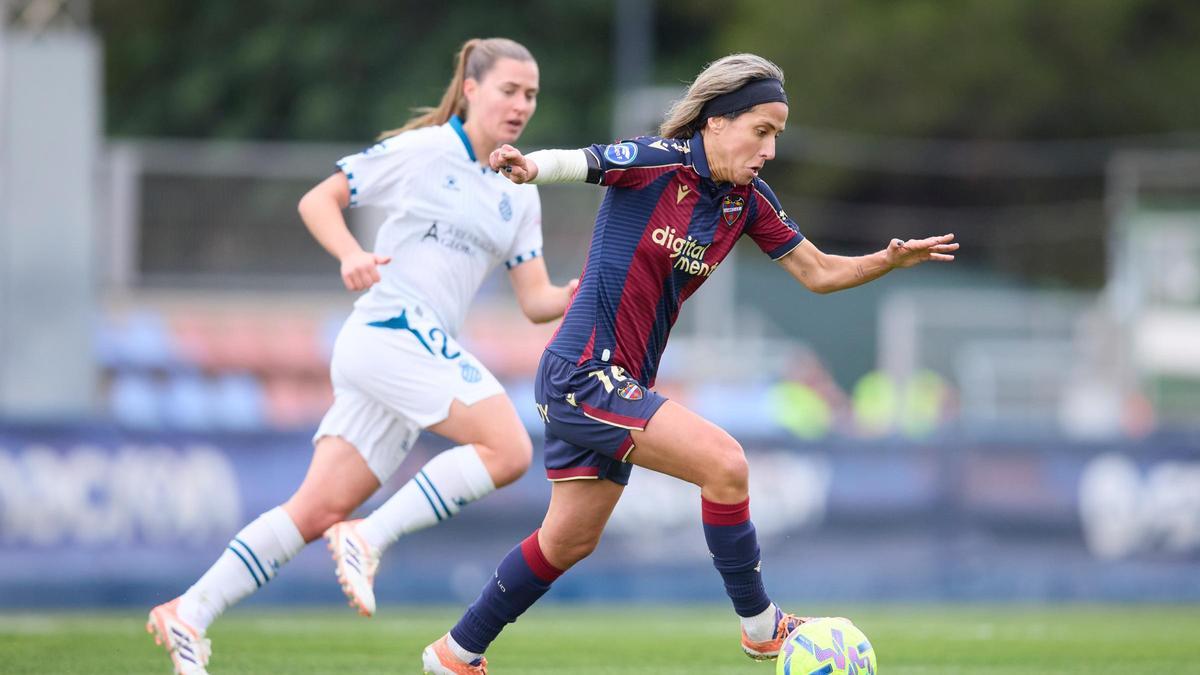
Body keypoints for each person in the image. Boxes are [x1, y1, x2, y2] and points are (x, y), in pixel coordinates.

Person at [419, 53, 957, 674]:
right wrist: (528, 166)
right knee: (725, 464)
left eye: (776, 135)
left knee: (567, 541)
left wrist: (885, 261)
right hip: (583, 374)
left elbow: (818, 272)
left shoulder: (748, 201)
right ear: (715, 121)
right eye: (761, 130)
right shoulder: (659, 161)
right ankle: (762, 629)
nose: (769, 150)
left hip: (618, 384)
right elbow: (585, 162)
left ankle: (454, 656)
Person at [146, 37, 577, 675]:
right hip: (389, 329)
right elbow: (318, 199)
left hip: (406, 357)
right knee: (510, 450)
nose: (521, 105)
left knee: (315, 509)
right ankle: (370, 537)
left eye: (531, 95)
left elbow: (535, 300)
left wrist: (581, 292)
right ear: (471, 90)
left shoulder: (520, 190)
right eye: (509, 90)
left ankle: (190, 612)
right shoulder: (425, 151)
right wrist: (350, 254)